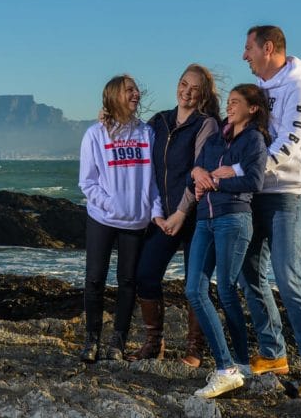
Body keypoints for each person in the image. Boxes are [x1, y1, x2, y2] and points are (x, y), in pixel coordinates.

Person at [235, 24, 301, 399]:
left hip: (288, 194)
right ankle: (274, 353)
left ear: (268, 48)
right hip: (256, 193)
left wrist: (243, 171)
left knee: (287, 276)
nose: (244, 55)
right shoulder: (260, 92)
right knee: (247, 272)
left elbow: (289, 143)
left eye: (248, 48)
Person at [129, 64, 220, 365]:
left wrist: (182, 212)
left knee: (195, 285)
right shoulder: (159, 122)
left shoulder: (206, 125)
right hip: (164, 218)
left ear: (203, 94)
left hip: (197, 217)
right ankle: (155, 343)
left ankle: (195, 348)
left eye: (194, 88)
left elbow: (199, 170)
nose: (187, 92)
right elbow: (134, 142)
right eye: (183, 84)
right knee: (145, 274)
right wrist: (108, 118)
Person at [184, 84, 270, 398]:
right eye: (229, 102)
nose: (230, 107)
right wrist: (197, 173)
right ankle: (234, 366)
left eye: (236, 103)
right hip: (204, 221)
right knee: (194, 289)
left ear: (253, 108)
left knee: (225, 289)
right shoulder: (215, 138)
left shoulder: (254, 140)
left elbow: (254, 181)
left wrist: (218, 180)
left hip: (234, 218)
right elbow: (196, 171)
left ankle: (232, 367)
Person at [78, 74, 162, 363]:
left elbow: (153, 181)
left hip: (136, 222)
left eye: (136, 89)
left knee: (127, 282)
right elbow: (87, 182)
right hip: (102, 218)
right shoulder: (95, 134)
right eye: (129, 90)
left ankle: (118, 342)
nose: (136, 93)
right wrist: (110, 204)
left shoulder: (147, 134)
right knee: (94, 280)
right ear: (115, 95)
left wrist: (154, 210)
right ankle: (91, 340)